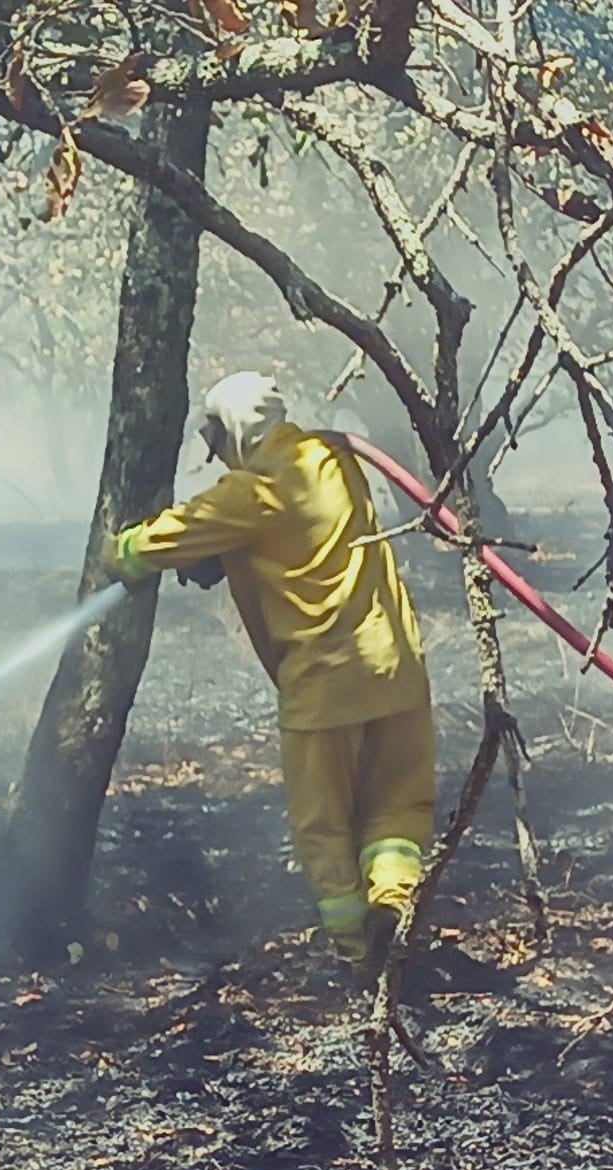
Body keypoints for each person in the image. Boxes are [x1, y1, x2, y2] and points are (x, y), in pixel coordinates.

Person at [101, 371, 436, 980]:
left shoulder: (251, 493)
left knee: (323, 828)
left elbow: (159, 541)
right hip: (396, 669)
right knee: (398, 808)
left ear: (235, 431)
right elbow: (302, 539)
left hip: (323, 687)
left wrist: (117, 552)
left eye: (219, 442)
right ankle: (394, 907)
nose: (219, 458)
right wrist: (232, 555)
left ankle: (359, 957)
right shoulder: (335, 459)